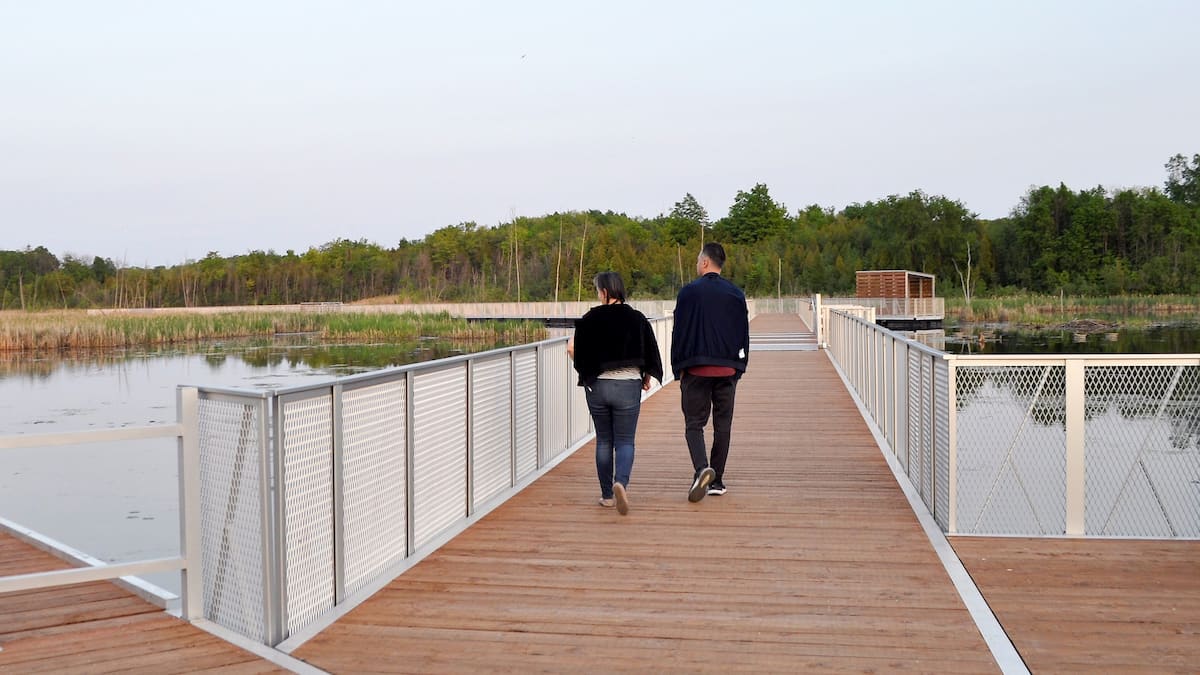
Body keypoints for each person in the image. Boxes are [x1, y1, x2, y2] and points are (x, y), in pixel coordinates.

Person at [567, 271, 663, 516]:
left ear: (605, 292)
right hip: (628, 386)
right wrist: (647, 377)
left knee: (604, 440)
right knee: (625, 441)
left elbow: (571, 347)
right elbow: (650, 351)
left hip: (598, 387)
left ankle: (607, 496)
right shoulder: (637, 318)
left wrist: (585, 371)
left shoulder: (590, 319)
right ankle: (621, 482)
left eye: (598, 290)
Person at [671, 242, 749, 502]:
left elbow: (679, 331)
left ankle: (701, 468)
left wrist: (677, 367)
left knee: (694, 423)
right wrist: (740, 366)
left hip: (696, 366)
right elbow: (743, 332)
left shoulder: (688, 293)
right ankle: (717, 481)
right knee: (722, 425)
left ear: (705, 262)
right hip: (727, 367)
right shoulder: (735, 294)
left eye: (697, 259)